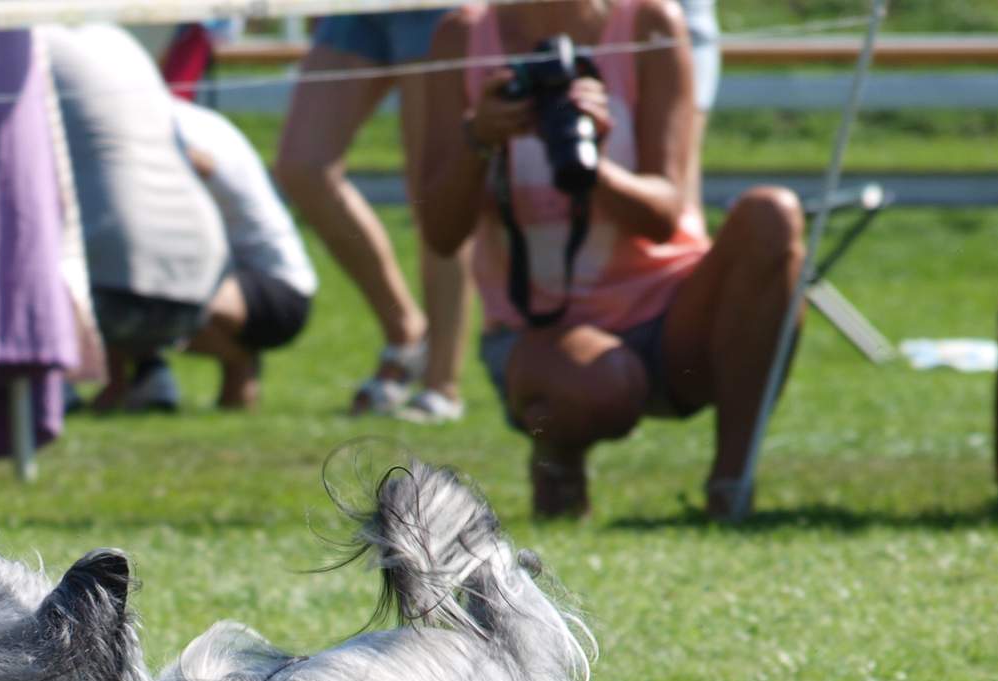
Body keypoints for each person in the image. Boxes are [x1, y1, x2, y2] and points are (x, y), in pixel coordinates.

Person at [416, 0, 806, 519]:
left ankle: (730, 487)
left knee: (771, 215)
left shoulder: (651, 22)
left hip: (669, 313)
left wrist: (587, 160)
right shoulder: (461, 35)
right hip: (542, 331)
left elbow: (664, 215)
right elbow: (441, 234)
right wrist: (479, 138)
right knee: (603, 383)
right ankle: (558, 456)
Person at [273, 8, 469, 422]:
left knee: (432, 195)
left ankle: (441, 386)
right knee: (302, 167)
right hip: (357, 10)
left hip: (436, 13)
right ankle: (405, 333)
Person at [42, 23, 229, 414]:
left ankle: (54, 385)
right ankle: (149, 372)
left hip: (111, 295)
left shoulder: (27, 39)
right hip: (201, 291)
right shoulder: (117, 38)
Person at [170, 97, 319, 410]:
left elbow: (204, 164)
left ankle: (240, 358)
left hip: (278, 291)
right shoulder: (190, 118)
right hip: (251, 280)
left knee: (146, 299)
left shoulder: (173, 127)